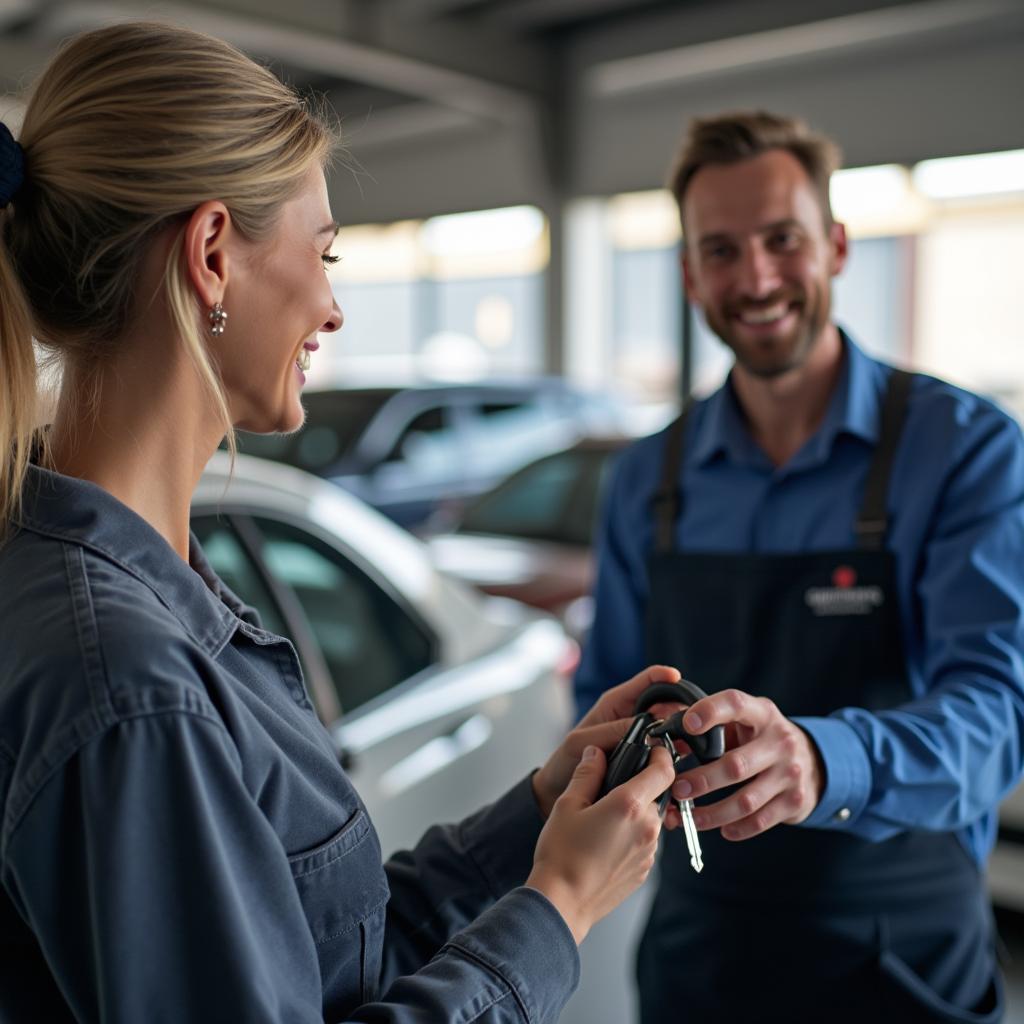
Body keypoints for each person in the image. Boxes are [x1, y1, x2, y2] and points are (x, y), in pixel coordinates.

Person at [0, 22, 683, 1023]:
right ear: (212, 254)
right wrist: (560, 906)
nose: (332, 306)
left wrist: (538, 810)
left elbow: (315, 950)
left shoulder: (117, 591)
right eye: (323, 253)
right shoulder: (132, 685)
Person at [575, 110, 1024, 1022]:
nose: (759, 278)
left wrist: (827, 762)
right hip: (702, 956)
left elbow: (999, 708)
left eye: (783, 240)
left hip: (904, 958)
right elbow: (603, 697)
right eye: (723, 250)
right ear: (691, 272)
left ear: (838, 245)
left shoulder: (966, 451)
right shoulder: (643, 482)